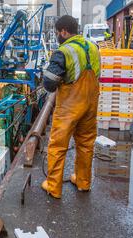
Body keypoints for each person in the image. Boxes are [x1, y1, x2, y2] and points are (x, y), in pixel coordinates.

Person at [41, 15, 101, 199]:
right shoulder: (93, 47)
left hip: (70, 107)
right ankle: (83, 182)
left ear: (64, 31)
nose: (58, 35)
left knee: (58, 146)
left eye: (58, 32)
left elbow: (49, 84)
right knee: (85, 143)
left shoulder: (63, 51)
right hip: (90, 104)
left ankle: (54, 186)